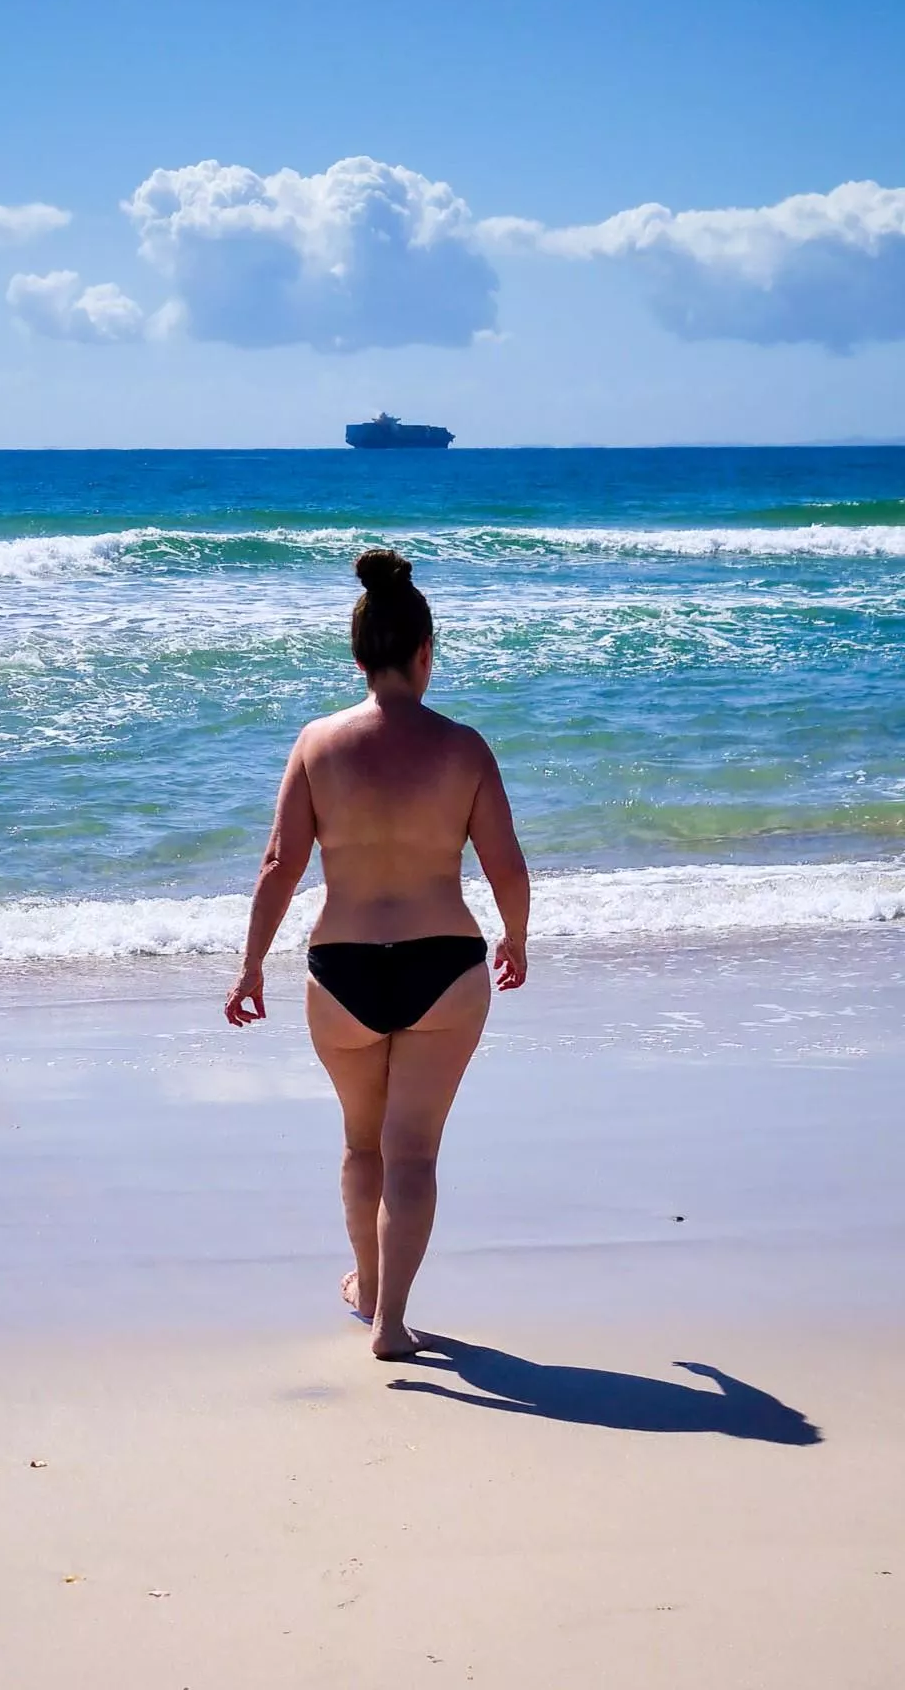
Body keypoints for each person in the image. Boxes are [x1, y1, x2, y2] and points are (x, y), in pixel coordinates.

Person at [224, 548, 530, 1359]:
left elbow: (280, 865)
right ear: (426, 653)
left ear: (358, 657)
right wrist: (517, 937)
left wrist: (251, 966)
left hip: (345, 971)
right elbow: (506, 865)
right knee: (415, 1152)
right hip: (445, 967)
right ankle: (392, 1321)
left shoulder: (318, 744)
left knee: (363, 1143)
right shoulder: (464, 748)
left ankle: (365, 1287)